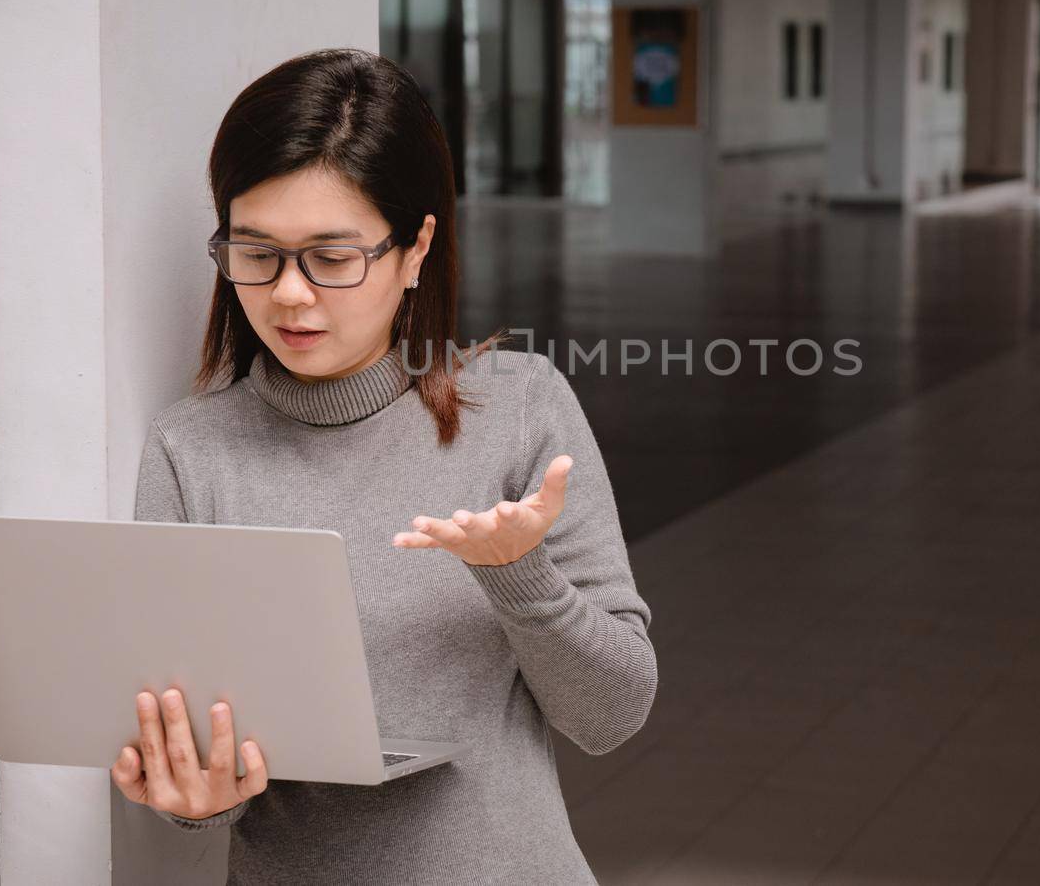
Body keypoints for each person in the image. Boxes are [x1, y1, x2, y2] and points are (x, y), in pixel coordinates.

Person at [110, 48, 657, 883]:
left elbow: (612, 713)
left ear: (414, 249)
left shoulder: (518, 409)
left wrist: (522, 576)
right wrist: (195, 794)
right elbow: (202, 754)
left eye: (332, 258)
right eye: (256, 252)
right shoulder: (192, 450)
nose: (290, 294)